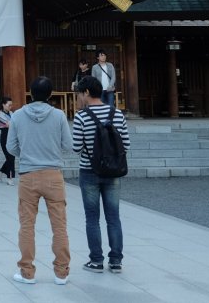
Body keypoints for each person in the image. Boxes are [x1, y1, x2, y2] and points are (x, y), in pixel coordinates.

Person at [7, 76, 72, 286]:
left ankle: (27, 272)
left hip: (28, 175)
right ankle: (61, 273)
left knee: (27, 225)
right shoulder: (59, 115)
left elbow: (11, 147)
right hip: (53, 174)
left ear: (30, 93)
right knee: (59, 226)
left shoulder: (17, 115)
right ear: (50, 95)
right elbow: (68, 145)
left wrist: (26, 153)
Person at [72, 75, 130, 274]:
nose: (79, 98)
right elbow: (126, 145)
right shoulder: (117, 114)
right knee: (113, 217)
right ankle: (116, 261)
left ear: (86, 93)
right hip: (113, 172)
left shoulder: (81, 116)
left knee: (92, 218)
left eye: (80, 93)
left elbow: (76, 147)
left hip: (89, 171)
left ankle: (96, 260)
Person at [0, 96, 15, 184]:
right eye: (9, 105)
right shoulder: (0, 114)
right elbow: (9, 124)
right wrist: (11, 124)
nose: (10, 107)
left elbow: (14, 123)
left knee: (11, 157)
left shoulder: (11, 113)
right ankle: (10, 178)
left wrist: (12, 124)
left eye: (11, 105)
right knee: (10, 157)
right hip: (5, 136)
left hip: (12, 136)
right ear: (3, 105)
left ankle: (0, 172)